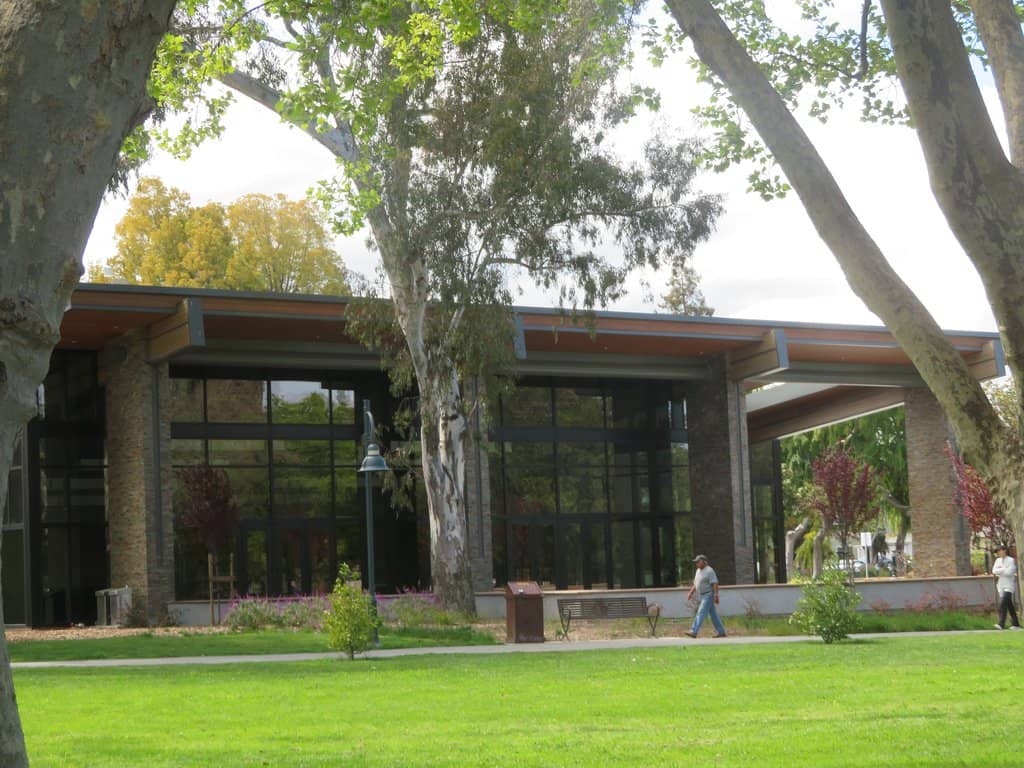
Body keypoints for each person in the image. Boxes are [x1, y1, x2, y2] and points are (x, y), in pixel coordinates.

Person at [685, 554, 727, 638]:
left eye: (698, 561)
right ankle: (721, 632)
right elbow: (695, 584)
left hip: (708, 595)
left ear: (704, 562)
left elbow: (715, 583)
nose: (696, 563)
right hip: (702, 595)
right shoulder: (698, 571)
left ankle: (694, 631)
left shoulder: (709, 571)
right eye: (696, 562)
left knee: (700, 612)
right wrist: (690, 593)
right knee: (713, 615)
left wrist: (716, 595)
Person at [991, 543, 1021, 631]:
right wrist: (1004, 569)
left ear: (1004, 551)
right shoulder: (998, 560)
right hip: (1001, 585)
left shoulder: (1011, 560)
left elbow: (1010, 572)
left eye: (999, 551)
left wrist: (1000, 570)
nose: (998, 553)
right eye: (997, 552)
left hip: (1009, 585)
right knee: (1009, 604)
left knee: (1003, 603)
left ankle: (1001, 624)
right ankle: (1016, 624)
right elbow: (994, 571)